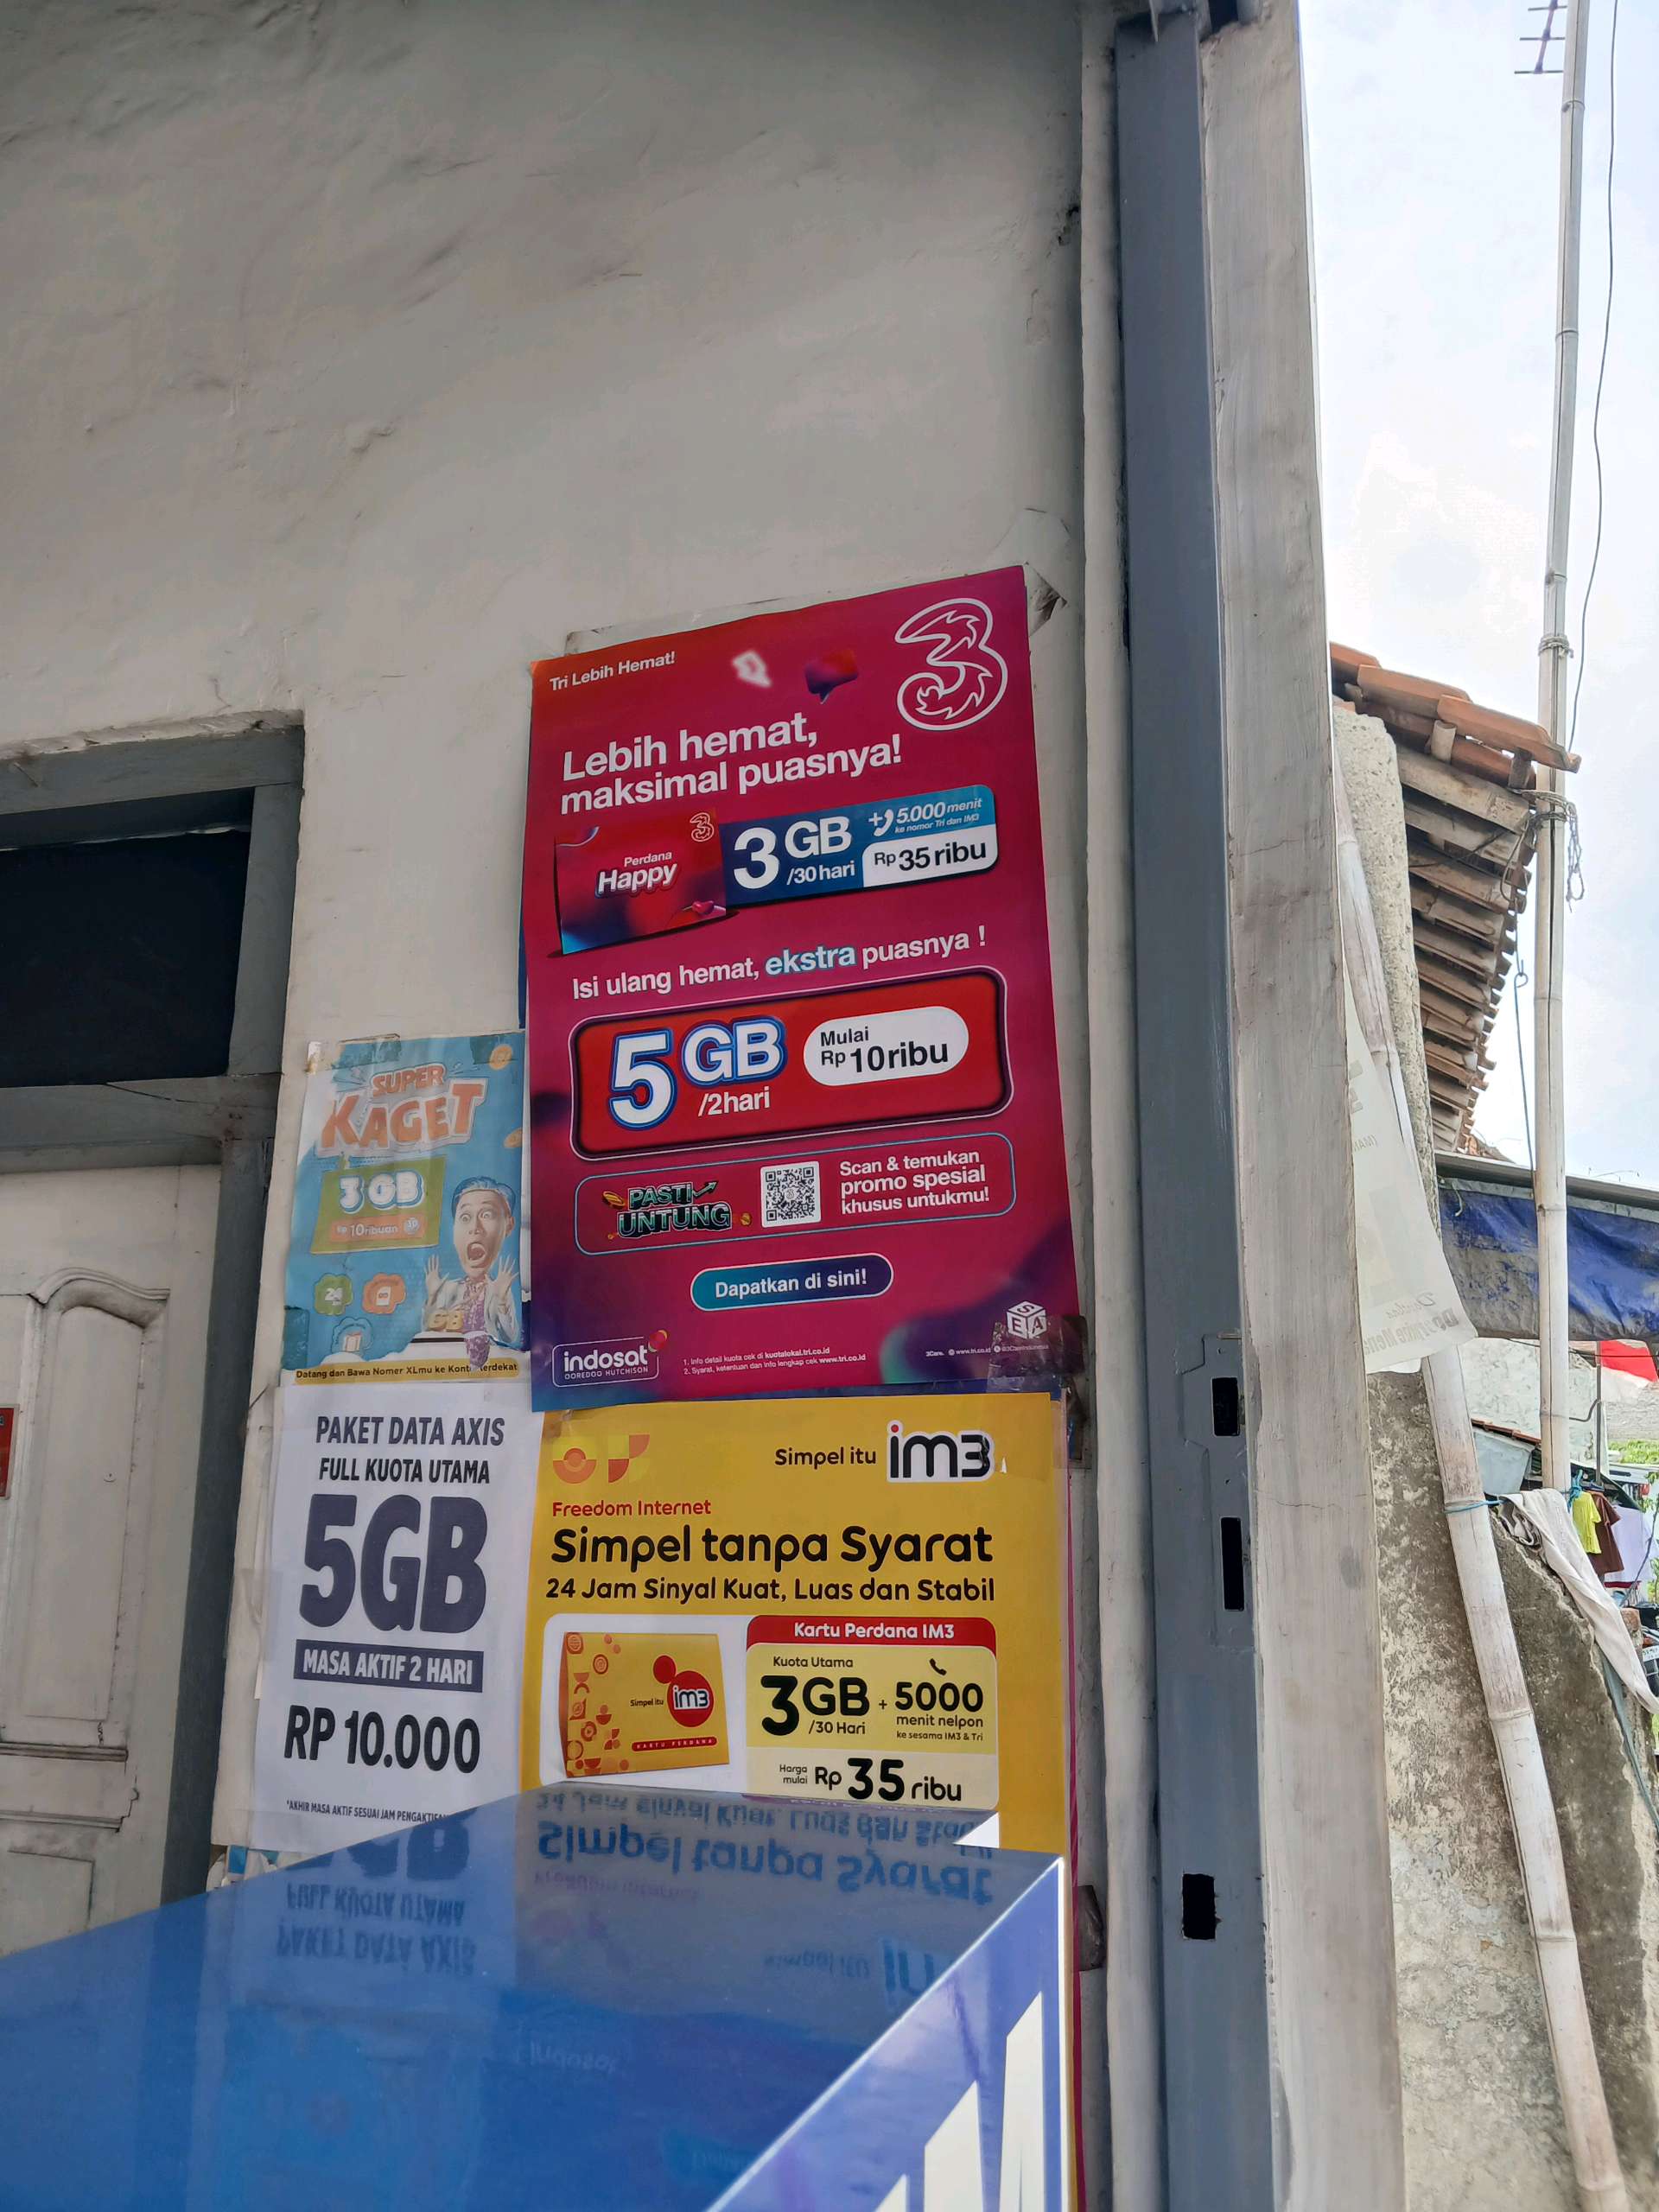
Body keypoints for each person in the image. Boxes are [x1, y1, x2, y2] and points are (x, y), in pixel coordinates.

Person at [423, 1178, 519, 1368]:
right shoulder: (448, 1289)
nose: (475, 1228)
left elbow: (510, 1336)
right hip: (451, 1368)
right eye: (465, 1217)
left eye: (487, 1215)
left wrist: (501, 1300)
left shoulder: (499, 1290)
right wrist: (433, 1297)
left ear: (508, 1225)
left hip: (491, 1370)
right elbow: (428, 1331)